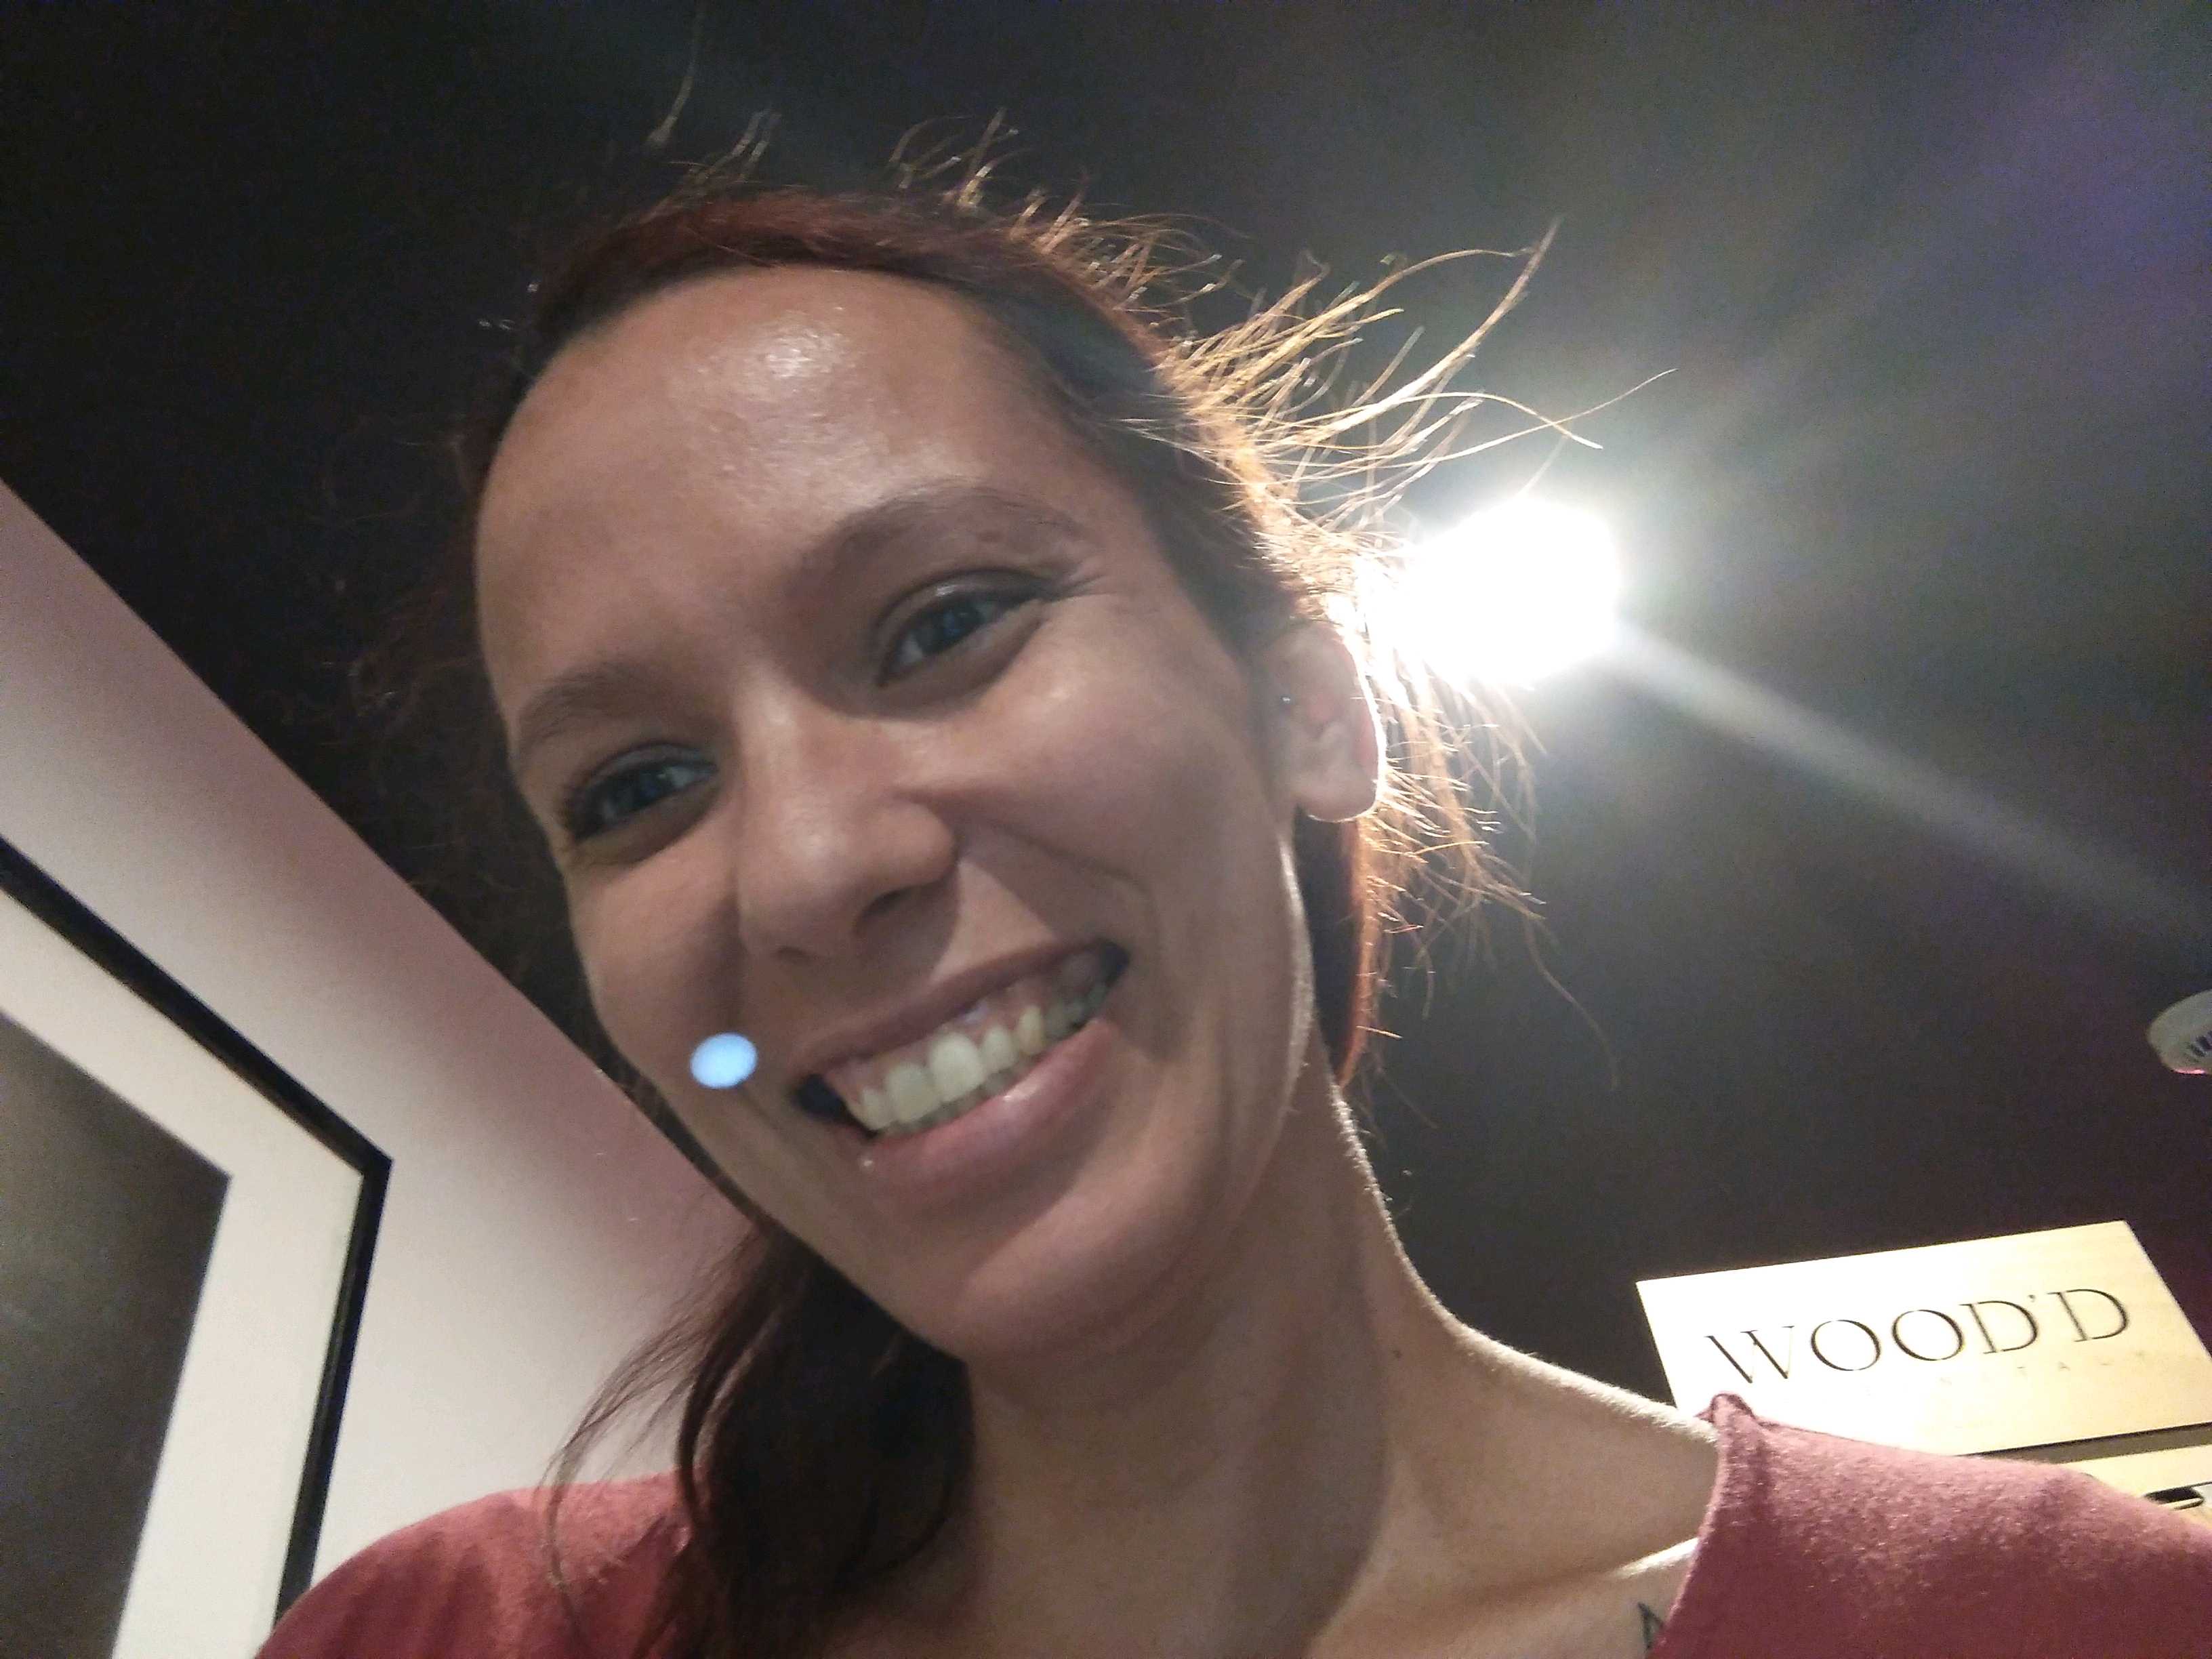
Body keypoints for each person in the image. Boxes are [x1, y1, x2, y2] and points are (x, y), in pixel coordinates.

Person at [262, 171, 2211, 1659]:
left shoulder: (2074, 1626)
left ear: (1307, 705)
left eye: (944, 624)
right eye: (635, 789)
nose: (805, 868)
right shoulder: (449, 1637)